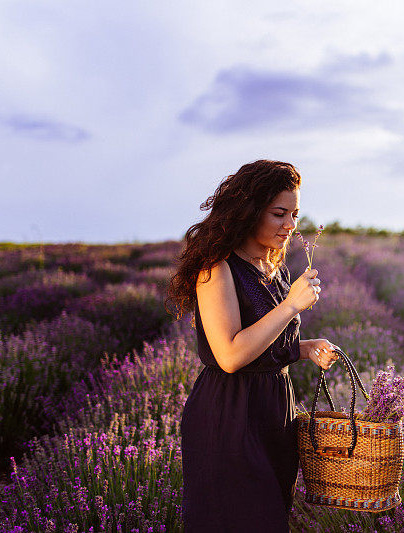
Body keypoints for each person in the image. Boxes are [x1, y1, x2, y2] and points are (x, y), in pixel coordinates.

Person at [166, 159, 341, 532]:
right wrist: (291, 305)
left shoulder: (274, 269)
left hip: (275, 411)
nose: (291, 226)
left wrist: (305, 348)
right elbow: (230, 355)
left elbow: (265, 344)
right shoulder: (217, 269)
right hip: (229, 414)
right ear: (249, 211)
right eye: (280, 213)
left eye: (295, 214)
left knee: (272, 517)